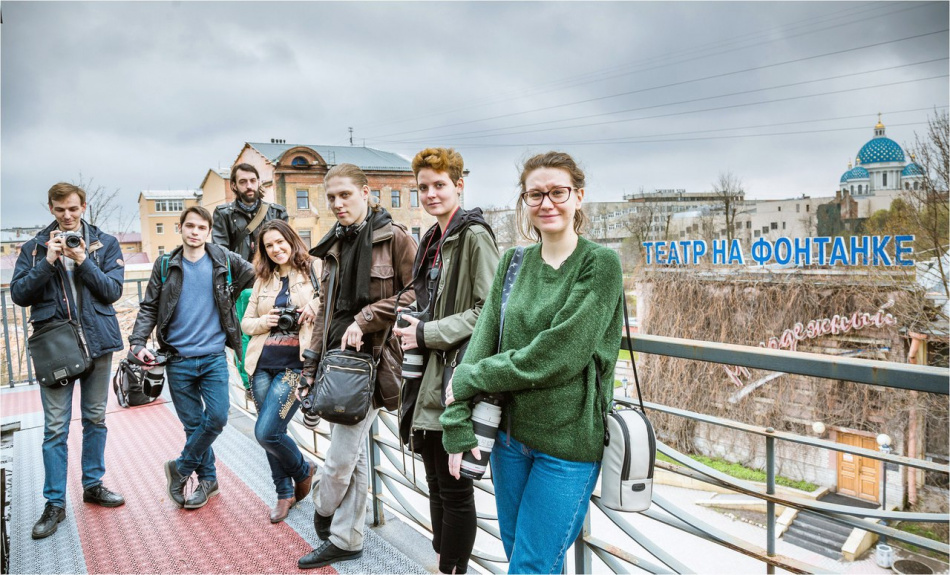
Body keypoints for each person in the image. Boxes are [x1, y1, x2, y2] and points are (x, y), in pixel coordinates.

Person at [441, 151, 623, 574]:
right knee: (522, 556)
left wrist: (472, 376)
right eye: (535, 194)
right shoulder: (513, 262)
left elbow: (559, 355)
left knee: (531, 565)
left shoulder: (600, 264)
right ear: (525, 201)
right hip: (508, 439)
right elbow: (481, 345)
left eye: (558, 192)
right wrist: (456, 419)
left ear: (578, 196)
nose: (547, 202)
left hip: (567, 445)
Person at [296, 163, 416, 570]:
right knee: (357, 458)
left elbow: (417, 292)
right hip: (336, 365)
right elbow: (325, 315)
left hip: (375, 365)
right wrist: (310, 367)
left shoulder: (395, 238)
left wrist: (366, 319)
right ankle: (348, 538)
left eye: (345, 194)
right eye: (331, 197)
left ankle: (324, 510)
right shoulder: (334, 243)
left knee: (340, 459)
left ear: (366, 192)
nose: (337, 203)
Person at [392, 148, 499, 574]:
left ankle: (450, 569)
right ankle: (445, 563)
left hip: (456, 377)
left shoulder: (473, 236)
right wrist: (414, 322)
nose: (431, 193)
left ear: (459, 185)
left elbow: (488, 310)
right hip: (430, 376)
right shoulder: (435, 238)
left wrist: (424, 332)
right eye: (423, 187)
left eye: (440, 185)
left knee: (455, 489)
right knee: (436, 483)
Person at [11, 183, 127, 539]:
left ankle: (93, 485)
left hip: (97, 343)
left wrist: (83, 261)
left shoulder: (104, 243)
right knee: (55, 428)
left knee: (95, 418)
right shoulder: (33, 249)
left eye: (73, 209)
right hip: (56, 348)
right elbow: (19, 294)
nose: (67, 216)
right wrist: (48, 262)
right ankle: (55, 504)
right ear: (50, 209)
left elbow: (112, 291)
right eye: (60, 210)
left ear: (83, 206)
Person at [130, 206, 255, 510]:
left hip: (212, 356)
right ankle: (208, 480)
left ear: (208, 231)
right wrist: (137, 341)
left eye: (201, 227)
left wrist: (227, 294)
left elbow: (250, 272)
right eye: (190, 227)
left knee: (216, 417)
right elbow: (149, 307)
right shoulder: (165, 265)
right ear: (181, 228)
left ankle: (181, 468)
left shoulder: (223, 259)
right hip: (178, 358)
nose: (195, 232)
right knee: (193, 425)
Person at [240, 219, 319, 523]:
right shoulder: (262, 279)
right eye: (268, 245)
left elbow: (332, 298)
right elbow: (247, 323)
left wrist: (313, 304)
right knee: (271, 433)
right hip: (261, 365)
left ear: (291, 239)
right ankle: (284, 493)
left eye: (279, 242)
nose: (275, 249)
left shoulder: (314, 268)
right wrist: (267, 321)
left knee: (267, 431)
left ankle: (303, 470)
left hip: (295, 367)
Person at [212, 163, 289, 261]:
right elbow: (220, 253)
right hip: (239, 274)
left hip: (270, 273)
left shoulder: (277, 212)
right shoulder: (223, 214)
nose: (249, 186)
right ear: (234, 185)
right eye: (243, 182)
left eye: (252, 181)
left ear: (258, 182)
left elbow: (287, 247)